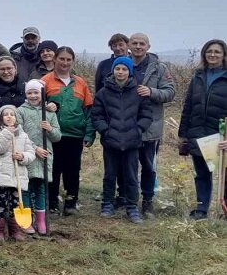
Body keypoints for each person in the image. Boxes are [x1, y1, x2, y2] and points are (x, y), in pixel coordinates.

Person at [92, 56, 153, 224]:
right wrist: (106, 130)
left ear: (129, 72)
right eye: (117, 68)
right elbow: (96, 115)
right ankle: (107, 203)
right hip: (111, 142)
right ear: (113, 70)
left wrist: (138, 130)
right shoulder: (103, 93)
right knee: (110, 174)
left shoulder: (138, 92)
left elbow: (146, 114)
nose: (120, 72)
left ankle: (132, 207)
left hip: (132, 142)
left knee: (132, 176)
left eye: (124, 69)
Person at [128, 33, 176, 217]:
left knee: (148, 166)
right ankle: (128, 199)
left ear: (148, 46)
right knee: (127, 166)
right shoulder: (123, 65)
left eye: (142, 43)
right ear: (129, 45)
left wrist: (151, 91)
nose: (138, 46)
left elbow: (170, 92)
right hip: (127, 126)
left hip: (151, 128)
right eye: (135, 43)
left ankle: (147, 201)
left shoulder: (159, 68)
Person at [178, 39, 227, 219]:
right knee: (202, 174)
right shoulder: (198, 77)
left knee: (225, 174)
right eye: (209, 52)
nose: (212, 55)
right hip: (199, 133)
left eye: (217, 52)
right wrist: (183, 134)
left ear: (224, 55)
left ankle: (225, 209)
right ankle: (201, 209)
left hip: (221, 134)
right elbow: (188, 106)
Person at [42, 46, 94, 216]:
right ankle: (52, 203)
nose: (64, 62)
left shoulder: (80, 83)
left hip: (75, 134)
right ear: (55, 59)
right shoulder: (45, 81)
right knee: (53, 169)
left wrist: (89, 133)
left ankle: (71, 202)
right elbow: (36, 107)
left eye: (68, 60)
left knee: (72, 169)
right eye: (62, 59)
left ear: (73, 61)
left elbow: (88, 111)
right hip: (53, 134)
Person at [17, 80, 61, 236]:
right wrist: (35, 149)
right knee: (27, 188)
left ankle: (41, 220)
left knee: (41, 188)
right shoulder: (20, 111)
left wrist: (49, 129)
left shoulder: (49, 112)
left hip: (45, 156)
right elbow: (20, 133)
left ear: (42, 94)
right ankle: (27, 219)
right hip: (29, 155)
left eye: (36, 92)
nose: (33, 96)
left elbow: (57, 136)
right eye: (30, 93)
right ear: (26, 94)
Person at [0, 106, 36, 241]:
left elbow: (31, 153)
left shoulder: (23, 134)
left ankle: (14, 231)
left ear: (16, 117)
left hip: (18, 176)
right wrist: (7, 133)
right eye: (5, 115)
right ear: (0, 118)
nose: (9, 116)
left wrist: (22, 156)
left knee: (16, 204)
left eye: (12, 114)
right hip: (2, 175)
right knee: (1, 203)